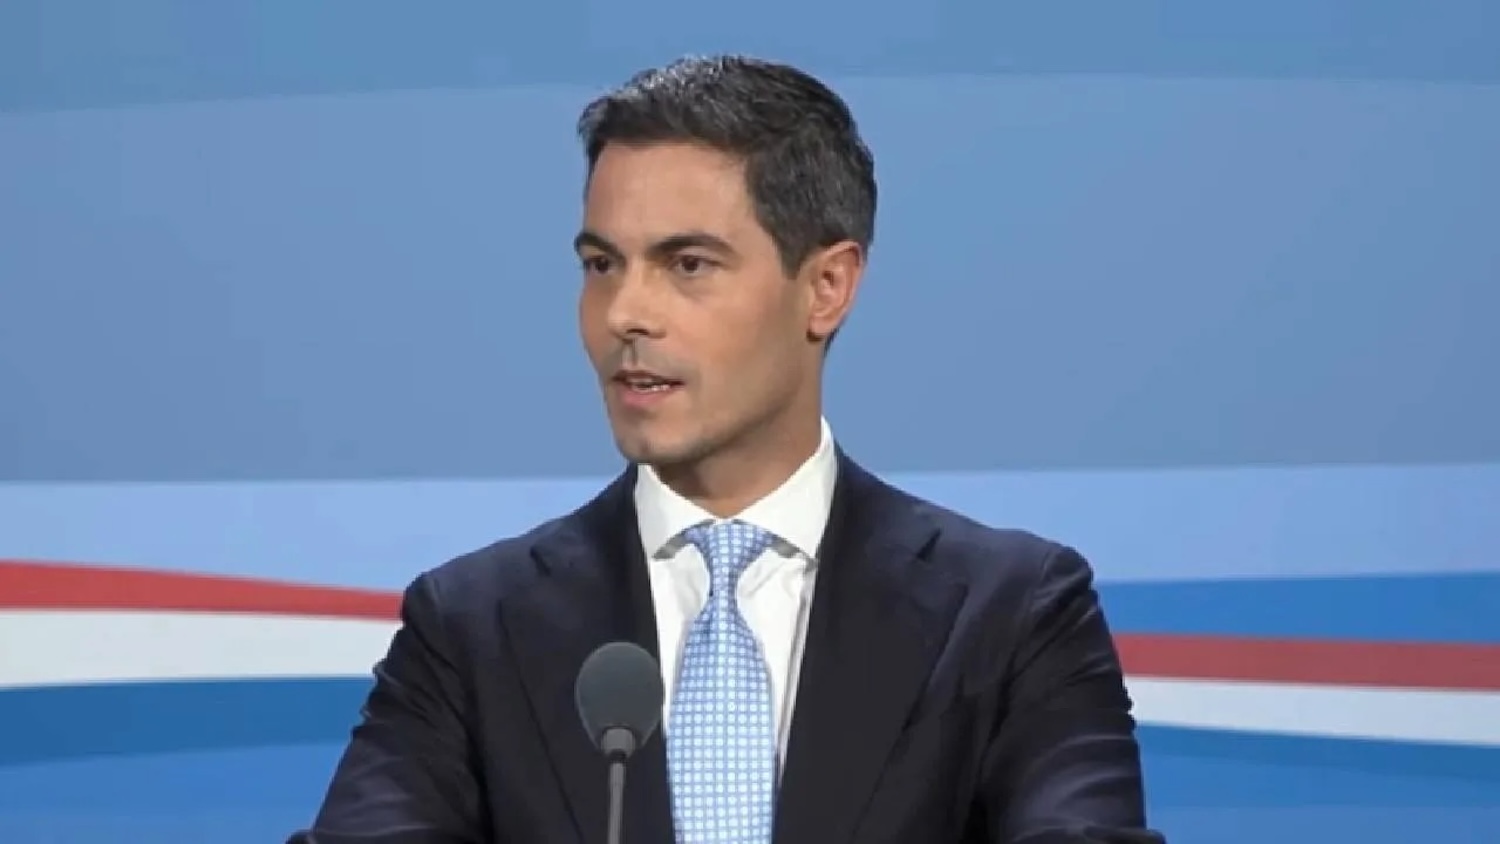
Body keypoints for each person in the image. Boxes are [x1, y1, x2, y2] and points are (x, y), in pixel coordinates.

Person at [291, 55, 1163, 844]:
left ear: (827, 286)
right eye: (601, 265)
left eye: (688, 265)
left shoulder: (1012, 616)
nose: (626, 314)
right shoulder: (473, 628)